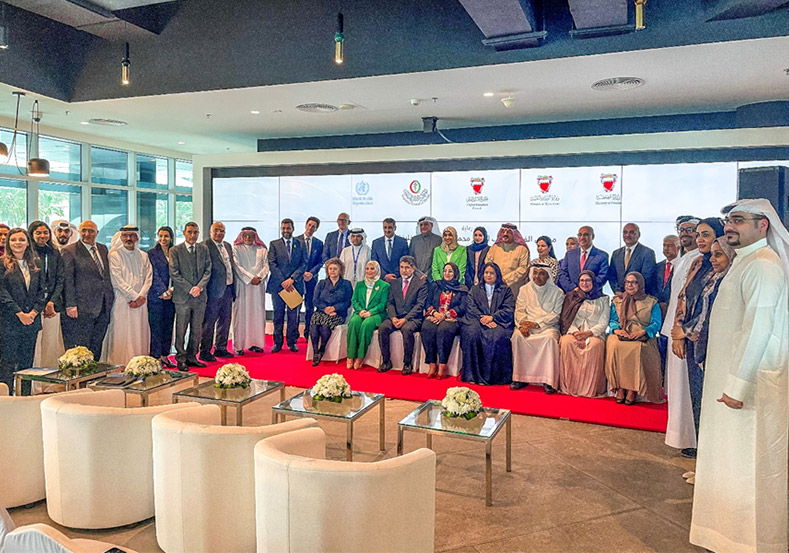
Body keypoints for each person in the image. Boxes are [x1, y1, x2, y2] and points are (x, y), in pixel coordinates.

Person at [690, 199, 789, 553]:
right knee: (728, 463)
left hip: (750, 390)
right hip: (728, 383)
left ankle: (751, 543)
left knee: (748, 466)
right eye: (728, 220)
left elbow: (759, 329)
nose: (729, 226)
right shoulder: (745, 262)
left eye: (739, 220)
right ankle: (728, 538)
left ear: (763, 225)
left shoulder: (764, 265)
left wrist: (737, 386)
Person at [670, 217, 725, 458]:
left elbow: (711, 310)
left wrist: (686, 331)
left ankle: (712, 455)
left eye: (706, 234)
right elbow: (683, 297)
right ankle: (702, 451)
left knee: (710, 399)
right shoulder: (697, 263)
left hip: (711, 343)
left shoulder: (724, 265)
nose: (700, 239)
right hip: (689, 341)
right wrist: (678, 333)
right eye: (698, 235)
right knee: (697, 396)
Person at [662, 216, 702, 453]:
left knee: (686, 388)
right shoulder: (683, 259)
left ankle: (692, 440)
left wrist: (682, 331)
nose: (685, 233)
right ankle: (682, 438)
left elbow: (689, 297)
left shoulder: (699, 259)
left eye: (690, 230)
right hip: (674, 329)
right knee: (677, 388)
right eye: (681, 230)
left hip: (685, 332)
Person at [605, 271, 663, 405]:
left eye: (633, 282)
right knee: (614, 345)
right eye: (627, 282)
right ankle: (619, 387)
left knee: (637, 348)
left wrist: (644, 331)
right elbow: (613, 320)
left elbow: (656, 323)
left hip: (642, 334)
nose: (630, 285)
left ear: (640, 284)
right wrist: (617, 330)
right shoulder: (617, 300)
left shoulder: (651, 302)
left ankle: (632, 389)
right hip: (622, 332)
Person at [60, 220, 115, 361]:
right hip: (81, 307)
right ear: (79, 232)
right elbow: (68, 280)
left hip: (103, 306)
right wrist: (70, 304)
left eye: (91, 231)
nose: (87, 234)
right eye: (83, 230)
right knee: (81, 348)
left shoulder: (103, 249)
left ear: (97, 233)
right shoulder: (69, 251)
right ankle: (80, 380)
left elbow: (104, 276)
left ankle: (93, 377)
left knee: (97, 345)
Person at [0, 228, 46, 392]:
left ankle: (24, 397)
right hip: (10, 322)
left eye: (21, 240)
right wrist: (19, 313)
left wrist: (33, 313)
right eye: (13, 240)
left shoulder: (36, 263)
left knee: (27, 364)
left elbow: (43, 290)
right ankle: (5, 398)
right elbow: (2, 293)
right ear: (8, 243)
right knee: (8, 362)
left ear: (28, 242)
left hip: (31, 322)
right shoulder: (2, 263)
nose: (17, 243)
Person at [103, 225, 153, 365]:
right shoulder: (114, 255)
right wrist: (134, 297)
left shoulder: (143, 255)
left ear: (137, 237)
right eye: (125, 235)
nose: (129, 238)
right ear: (121, 237)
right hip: (122, 300)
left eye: (132, 235)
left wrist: (141, 296)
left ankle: (139, 364)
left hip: (142, 302)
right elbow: (117, 280)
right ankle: (119, 364)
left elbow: (149, 278)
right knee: (122, 332)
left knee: (139, 332)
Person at [510, 266, 564, 393]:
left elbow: (555, 315)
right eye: (535, 273)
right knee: (517, 336)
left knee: (550, 339)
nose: (537, 277)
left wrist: (537, 324)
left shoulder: (557, 292)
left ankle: (548, 380)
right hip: (526, 326)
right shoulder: (524, 290)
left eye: (541, 274)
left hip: (547, 327)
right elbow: (519, 310)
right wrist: (522, 325)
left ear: (548, 276)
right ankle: (520, 378)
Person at [460, 262, 515, 386]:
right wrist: (482, 318)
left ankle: (492, 377)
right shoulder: (475, 289)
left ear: (497, 275)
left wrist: (493, 317)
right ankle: (473, 375)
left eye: (491, 273)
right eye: (486, 273)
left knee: (496, 337)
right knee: (471, 334)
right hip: (477, 320)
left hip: (499, 322)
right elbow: (471, 307)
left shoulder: (505, 290)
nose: (488, 275)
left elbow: (508, 309)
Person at [558, 270, 610, 397]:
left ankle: (589, 389)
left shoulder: (603, 299)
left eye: (588, 280)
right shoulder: (571, 297)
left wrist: (588, 333)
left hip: (594, 333)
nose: (585, 283)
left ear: (593, 282)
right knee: (566, 343)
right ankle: (571, 387)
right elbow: (566, 318)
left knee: (594, 346)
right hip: (574, 331)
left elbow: (604, 323)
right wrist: (576, 333)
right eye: (582, 280)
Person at [169, 222, 212, 371]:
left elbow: (208, 270)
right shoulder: (175, 250)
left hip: (200, 296)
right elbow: (174, 273)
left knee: (197, 328)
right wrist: (190, 288)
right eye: (190, 232)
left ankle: (192, 356)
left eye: (195, 232)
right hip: (182, 297)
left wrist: (199, 287)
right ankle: (181, 358)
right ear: (184, 233)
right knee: (181, 328)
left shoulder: (203, 249)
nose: (193, 235)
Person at [377, 255, 427, 375]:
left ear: (413, 268)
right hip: (396, 316)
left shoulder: (421, 284)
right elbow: (390, 303)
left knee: (407, 329)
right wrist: (393, 317)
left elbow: (419, 306)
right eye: (402, 267)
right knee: (383, 327)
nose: (404, 270)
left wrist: (405, 319)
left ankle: (407, 363)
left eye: (407, 268)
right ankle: (386, 361)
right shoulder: (395, 283)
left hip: (412, 318)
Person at [29, 221, 66, 369]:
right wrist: (41, 304)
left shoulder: (54, 252)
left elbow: (60, 279)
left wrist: (51, 302)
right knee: (36, 345)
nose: (42, 236)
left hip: (52, 305)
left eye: (45, 233)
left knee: (51, 344)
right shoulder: (27, 253)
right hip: (33, 306)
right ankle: (35, 385)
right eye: (38, 233)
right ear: (31, 234)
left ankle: (49, 384)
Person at [421, 262, 468, 379]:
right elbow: (427, 302)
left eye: (450, 271)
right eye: (445, 271)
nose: (447, 273)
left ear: (456, 273)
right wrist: (435, 313)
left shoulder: (462, 288)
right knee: (427, 327)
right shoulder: (435, 285)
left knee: (444, 329)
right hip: (435, 315)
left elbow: (463, 307)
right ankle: (432, 363)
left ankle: (442, 364)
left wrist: (446, 314)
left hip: (453, 319)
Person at [267, 218, 306, 353]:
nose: (285, 231)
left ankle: (291, 342)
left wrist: (292, 279)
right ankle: (277, 343)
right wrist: (283, 281)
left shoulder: (300, 244)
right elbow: (272, 263)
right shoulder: (274, 244)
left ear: (293, 229)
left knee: (293, 316)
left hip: (295, 286)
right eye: (283, 228)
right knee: (277, 315)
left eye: (288, 228)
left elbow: (303, 263)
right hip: (278, 286)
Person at [199, 222, 236, 361]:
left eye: (222, 230)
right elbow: (202, 270)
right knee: (209, 322)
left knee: (225, 320)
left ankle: (221, 348)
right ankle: (205, 351)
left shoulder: (227, 246)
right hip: (212, 291)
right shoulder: (204, 246)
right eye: (216, 230)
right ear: (210, 232)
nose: (219, 233)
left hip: (228, 288)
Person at [231, 227, 269, 355]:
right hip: (243, 286)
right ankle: (239, 346)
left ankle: (256, 343)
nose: (248, 237)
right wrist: (250, 278)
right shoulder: (236, 249)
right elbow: (237, 266)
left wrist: (259, 277)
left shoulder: (262, 250)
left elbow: (266, 266)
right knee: (241, 316)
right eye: (245, 235)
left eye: (250, 235)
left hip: (258, 287)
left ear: (255, 236)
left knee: (257, 315)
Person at [309, 257, 353, 366]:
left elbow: (348, 302)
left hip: (338, 313)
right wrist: (325, 309)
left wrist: (334, 308)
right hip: (321, 311)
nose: (332, 271)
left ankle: (322, 349)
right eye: (330, 269)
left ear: (340, 270)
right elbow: (315, 300)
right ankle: (316, 352)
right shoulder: (322, 283)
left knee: (325, 326)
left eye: (335, 269)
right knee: (314, 323)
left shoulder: (346, 284)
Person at [346, 260, 390, 370]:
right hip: (360, 312)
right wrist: (360, 311)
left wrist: (371, 312)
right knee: (353, 323)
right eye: (367, 269)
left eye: (372, 268)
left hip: (376, 314)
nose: (369, 271)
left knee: (366, 324)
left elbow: (383, 304)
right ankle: (350, 356)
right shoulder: (360, 284)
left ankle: (360, 357)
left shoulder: (384, 286)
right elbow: (354, 300)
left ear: (377, 270)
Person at [147, 226, 176, 367]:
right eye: (161, 236)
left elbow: (178, 273)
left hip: (172, 296)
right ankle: (155, 357)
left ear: (171, 238)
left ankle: (165, 355)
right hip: (157, 297)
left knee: (168, 326)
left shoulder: (175, 252)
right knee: (156, 327)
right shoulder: (152, 253)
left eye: (166, 236)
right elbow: (154, 274)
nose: (163, 239)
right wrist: (163, 291)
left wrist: (171, 290)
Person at [608, 223, 657, 296]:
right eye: (625, 232)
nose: (627, 235)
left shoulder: (647, 253)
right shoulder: (616, 254)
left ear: (639, 234)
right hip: (620, 298)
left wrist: (632, 292)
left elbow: (647, 277)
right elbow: (612, 276)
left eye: (631, 232)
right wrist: (618, 291)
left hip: (639, 298)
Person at [655, 234, 680, 375]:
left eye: (670, 245)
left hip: (674, 310)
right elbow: (652, 286)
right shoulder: (658, 266)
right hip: (659, 309)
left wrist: (669, 304)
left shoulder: (682, 265)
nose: (666, 248)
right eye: (664, 245)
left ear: (678, 247)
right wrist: (659, 303)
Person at [485, 223, 530, 300]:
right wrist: (495, 277)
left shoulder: (522, 250)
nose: (505, 234)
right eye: (503, 231)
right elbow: (488, 263)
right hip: (495, 285)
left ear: (514, 234)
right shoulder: (495, 248)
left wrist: (506, 279)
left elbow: (523, 269)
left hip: (513, 287)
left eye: (509, 232)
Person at [558, 226, 609, 293]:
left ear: (593, 236)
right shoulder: (569, 254)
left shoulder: (602, 255)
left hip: (593, 297)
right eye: (580, 235)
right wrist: (573, 288)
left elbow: (603, 276)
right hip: (573, 296)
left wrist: (587, 288)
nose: (582, 237)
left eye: (586, 235)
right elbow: (562, 273)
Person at [297, 216, 323, 340]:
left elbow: (320, 262)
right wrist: (301, 273)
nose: (310, 228)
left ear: (316, 229)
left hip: (311, 280)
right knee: (294, 306)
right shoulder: (296, 241)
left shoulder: (319, 243)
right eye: (309, 225)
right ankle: (294, 334)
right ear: (305, 225)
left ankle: (308, 333)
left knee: (310, 307)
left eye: (314, 226)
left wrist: (311, 273)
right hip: (297, 279)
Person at [370, 218, 408, 284]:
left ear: (395, 228)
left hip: (398, 279)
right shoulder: (376, 243)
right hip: (381, 280)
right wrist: (385, 276)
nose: (387, 230)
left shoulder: (403, 242)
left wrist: (394, 275)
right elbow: (375, 262)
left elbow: (404, 261)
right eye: (385, 227)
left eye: (390, 227)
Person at [409, 216, 442, 281]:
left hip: (432, 279)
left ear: (431, 225)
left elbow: (438, 261)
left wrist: (427, 274)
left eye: (426, 224)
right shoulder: (414, 240)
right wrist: (419, 274)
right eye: (421, 225)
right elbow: (411, 259)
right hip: (416, 277)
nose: (423, 227)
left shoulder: (438, 240)